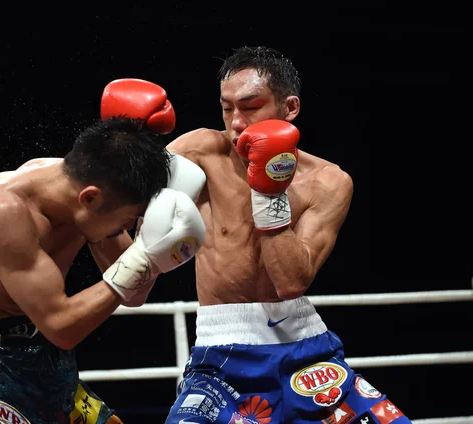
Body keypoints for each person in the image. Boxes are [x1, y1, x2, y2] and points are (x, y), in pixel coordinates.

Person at [152, 46, 411, 423]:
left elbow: (291, 282)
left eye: (250, 106)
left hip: (306, 349)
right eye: (227, 108)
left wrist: (269, 191)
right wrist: (128, 137)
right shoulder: (200, 152)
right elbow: (123, 201)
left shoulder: (329, 182)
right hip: (220, 354)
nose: (237, 122)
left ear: (289, 108)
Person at [0, 116, 206, 424]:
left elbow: (132, 295)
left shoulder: (93, 194)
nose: (130, 229)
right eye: (129, 220)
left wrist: (149, 260)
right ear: (89, 198)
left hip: (52, 366)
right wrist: (142, 258)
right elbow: (62, 327)